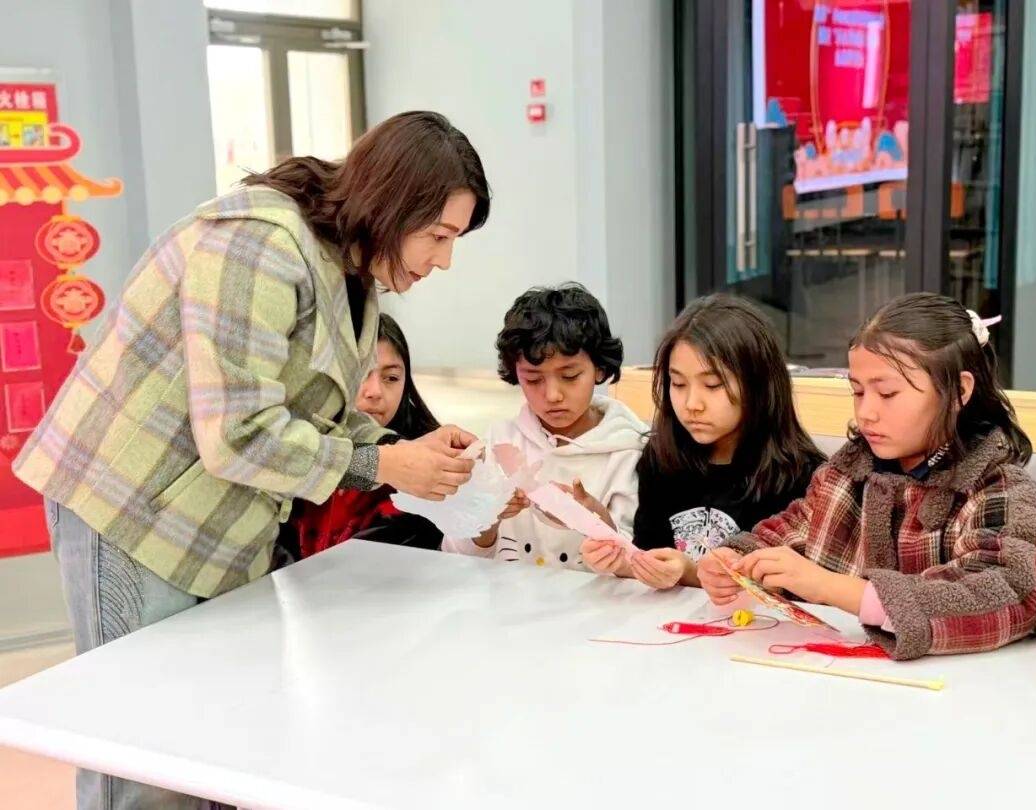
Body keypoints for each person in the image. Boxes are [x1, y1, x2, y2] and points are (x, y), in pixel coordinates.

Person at [13, 110, 489, 809]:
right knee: (143, 753)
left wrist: (400, 450)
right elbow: (238, 432)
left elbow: (315, 411)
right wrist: (388, 467)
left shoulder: (351, 271)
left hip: (218, 524)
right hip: (133, 513)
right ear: (391, 205)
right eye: (438, 237)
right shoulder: (257, 245)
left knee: (210, 739)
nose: (442, 260)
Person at [698, 293, 1036, 660]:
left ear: (959, 391)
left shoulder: (997, 487)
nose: (866, 412)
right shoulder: (848, 473)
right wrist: (736, 559)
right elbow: (792, 529)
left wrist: (831, 588)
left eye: (887, 393)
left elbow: (1005, 594)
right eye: (857, 391)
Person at [584, 294, 823, 588]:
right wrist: (622, 562)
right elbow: (650, 555)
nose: (692, 403)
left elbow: (792, 591)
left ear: (759, 385)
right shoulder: (661, 458)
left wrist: (690, 573)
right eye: (679, 384)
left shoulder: (804, 477)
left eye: (712, 385)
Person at [441, 284, 647, 570]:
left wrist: (594, 519)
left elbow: (644, 562)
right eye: (534, 380)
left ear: (599, 369)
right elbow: (455, 554)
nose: (552, 395)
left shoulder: (629, 450)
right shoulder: (500, 441)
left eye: (570, 375)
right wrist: (485, 518)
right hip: (511, 604)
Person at [284, 313, 444, 557]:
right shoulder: (292, 444)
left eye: (391, 378)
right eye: (359, 375)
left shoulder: (424, 466)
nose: (375, 392)